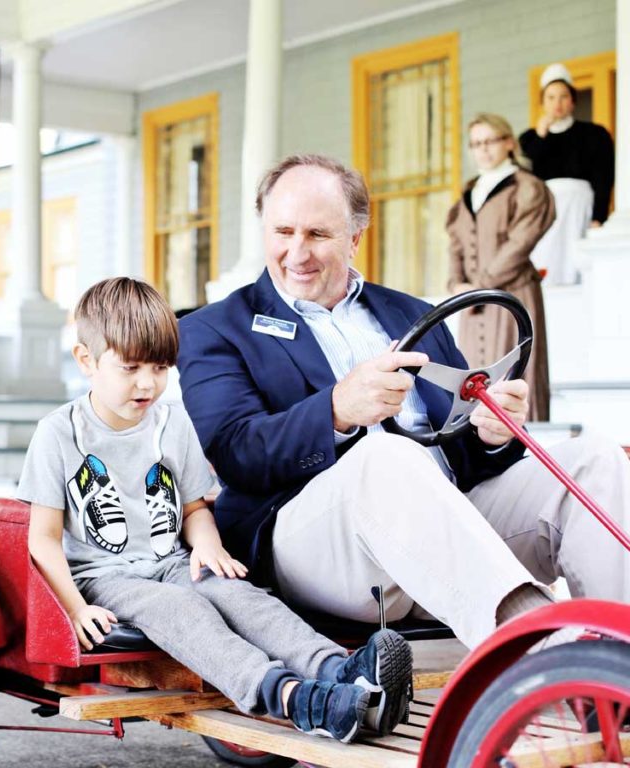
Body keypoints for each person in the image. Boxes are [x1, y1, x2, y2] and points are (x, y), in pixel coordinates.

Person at [178, 153, 630, 651]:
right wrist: (336, 410)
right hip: (312, 543)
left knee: (594, 457)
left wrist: (490, 432)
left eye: (318, 235)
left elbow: (465, 457)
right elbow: (235, 450)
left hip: (443, 527)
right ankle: (543, 645)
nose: (297, 252)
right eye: (283, 232)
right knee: (384, 455)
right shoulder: (215, 328)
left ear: (354, 238)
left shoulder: (412, 312)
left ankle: (618, 651)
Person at [18, 277, 413, 743]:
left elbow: (194, 507)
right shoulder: (59, 433)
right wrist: (75, 607)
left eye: (161, 368)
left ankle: (342, 671)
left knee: (239, 595)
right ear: (87, 361)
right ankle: (290, 698)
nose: (148, 384)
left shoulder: (171, 422)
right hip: (103, 576)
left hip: (170, 561)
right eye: (131, 368)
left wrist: (207, 546)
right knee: (181, 609)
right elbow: (42, 538)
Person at [446, 112, 555, 421]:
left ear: (508, 142)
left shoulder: (527, 187)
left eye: (489, 141)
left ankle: (522, 446)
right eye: (475, 143)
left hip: (512, 293)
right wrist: (457, 285)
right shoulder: (469, 192)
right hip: (473, 300)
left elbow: (520, 242)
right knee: (475, 377)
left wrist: (481, 284)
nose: (482, 149)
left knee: (514, 370)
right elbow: (455, 243)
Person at [518, 62, 615, 284]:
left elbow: (604, 178)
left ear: (572, 100)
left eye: (563, 96)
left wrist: (599, 216)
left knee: (579, 265)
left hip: (580, 206)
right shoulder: (530, 139)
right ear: (542, 102)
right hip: (546, 210)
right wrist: (542, 134)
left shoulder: (594, 134)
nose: (557, 103)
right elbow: (526, 175)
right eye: (551, 97)